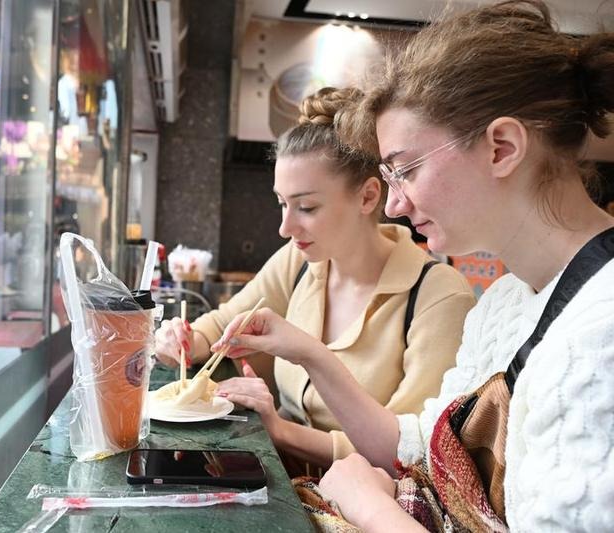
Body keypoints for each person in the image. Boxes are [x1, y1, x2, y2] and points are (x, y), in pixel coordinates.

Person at [212, 2, 614, 530]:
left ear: (501, 148)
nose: (396, 204)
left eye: (406, 171)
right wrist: (308, 351)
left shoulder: (598, 334)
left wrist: (370, 506)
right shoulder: (507, 300)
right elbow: (419, 445)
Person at [155, 88, 476, 475]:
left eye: (306, 207)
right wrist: (184, 341)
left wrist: (281, 430)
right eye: (282, 203)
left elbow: (412, 454)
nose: (285, 227)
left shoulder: (439, 297)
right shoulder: (301, 262)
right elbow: (224, 324)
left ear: (367, 197)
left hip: (363, 500)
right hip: (286, 481)